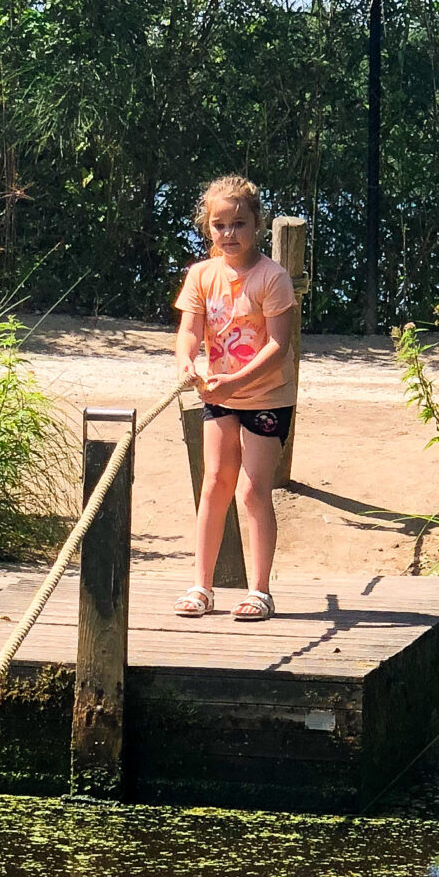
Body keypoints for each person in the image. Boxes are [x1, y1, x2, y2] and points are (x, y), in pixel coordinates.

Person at [172, 176, 297, 621]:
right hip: (219, 394)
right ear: (208, 228)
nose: (230, 234)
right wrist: (187, 361)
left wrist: (237, 380)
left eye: (239, 224)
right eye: (220, 225)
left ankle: (259, 590)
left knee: (251, 489)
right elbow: (189, 329)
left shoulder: (272, 278)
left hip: (263, 396)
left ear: (257, 224)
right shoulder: (201, 275)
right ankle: (201, 586)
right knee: (215, 483)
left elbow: (278, 346)